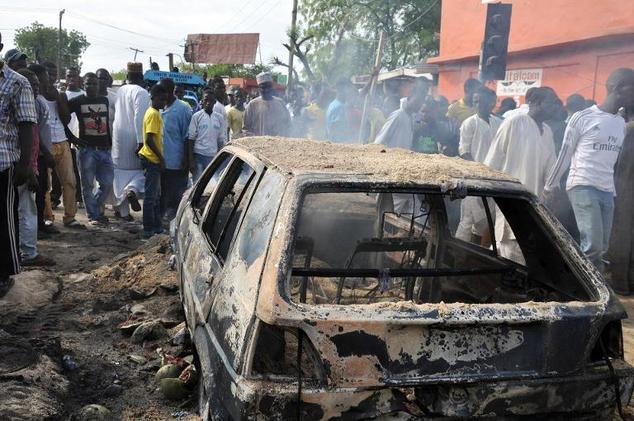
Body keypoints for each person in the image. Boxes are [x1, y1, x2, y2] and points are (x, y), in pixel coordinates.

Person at [543, 68, 634, 272]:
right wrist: (550, 186)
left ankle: (588, 287)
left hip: (607, 191)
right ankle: (591, 294)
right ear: (618, 88)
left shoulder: (620, 124)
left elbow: (612, 162)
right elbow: (564, 154)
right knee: (592, 246)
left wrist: (614, 192)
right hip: (583, 185)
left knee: (602, 247)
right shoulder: (582, 117)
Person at [484, 87, 559, 263]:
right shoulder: (515, 122)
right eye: (552, 102)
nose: (555, 107)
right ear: (537, 103)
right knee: (510, 249)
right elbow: (493, 160)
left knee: (527, 251)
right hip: (512, 197)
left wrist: (552, 188)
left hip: (535, 202)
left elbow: (551, 166)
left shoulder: (547, 131)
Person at [0, 32, 36, 296]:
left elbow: (26, 124)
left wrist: (26, 163)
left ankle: (4, 273)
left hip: (4, 162)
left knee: (4, 219)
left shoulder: (16, 82)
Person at [15, 68, 56, 266]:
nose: (35, 87)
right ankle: (28, 254)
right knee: (26, 211)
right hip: (22, 167)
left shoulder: (32, 104)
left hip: (26, 164)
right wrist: (29, 169)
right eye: (31, 84)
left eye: (37, 84)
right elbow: (27, 142)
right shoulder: (23, 106)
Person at [64, 72, 114, 225]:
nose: (91, 86)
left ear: (98, 85)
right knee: (87, 184)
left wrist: (110, 142)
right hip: (87, 150)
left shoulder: (104, 100)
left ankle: (95, 209)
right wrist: (72, 137)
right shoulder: (77, 101)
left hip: (104, 149)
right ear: (83, 85)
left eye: (94, 84)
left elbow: (106, 125)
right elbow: (61, 117)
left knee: (107, 183)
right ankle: (93, 215)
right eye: (88, 84)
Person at [455, 86, 502, 242]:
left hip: (493, 180)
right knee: (467, 220)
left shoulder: (499, 123)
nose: (477, 105)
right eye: (475, 102)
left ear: (491, 102)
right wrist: (477, 170)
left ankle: (479, 255)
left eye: (481, 101)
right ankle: (459, 258)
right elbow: (464, 151)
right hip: (473, 179)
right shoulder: (469, 123)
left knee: (489, 220)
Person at [41, 61, 83, 228]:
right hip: (45, 144)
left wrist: (59, 98)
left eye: (53, 74)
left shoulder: (60, 94)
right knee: (46, 184)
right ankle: (47, 217)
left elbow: (66, 120)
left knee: (70, 181)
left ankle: (70, 217)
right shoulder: (36, 94)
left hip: (62, 141)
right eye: (48, 74)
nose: (51, 78)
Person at [111, 63, 150, 221]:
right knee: (141, 172)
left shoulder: (120, 90)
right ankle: (132, 190)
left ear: (127, 77)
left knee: (120, 172)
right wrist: (141, 142)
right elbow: (139, 117)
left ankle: (124, 213)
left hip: (119, 137)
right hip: (134, 137)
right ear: (141, 78)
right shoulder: (141, 92)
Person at [27, 64, 56, 238]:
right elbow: (34, 132)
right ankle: (36, 229)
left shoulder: (39, 100)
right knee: (36, 192)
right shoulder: (32, 103)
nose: (46, 80)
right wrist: (47, 152)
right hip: (38, 155)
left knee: (43, 190)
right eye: (44, 76)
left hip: (43, 154)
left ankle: (40, 224)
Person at [156, 78, 192, 221]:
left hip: (176, 162)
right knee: (161, 195)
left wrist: (186, 160)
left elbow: (187, 137)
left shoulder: (183, 109)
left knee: (176, 196)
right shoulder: (157, 107)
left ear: (169, 92)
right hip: (160, 161)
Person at [138, 83, 168, 238]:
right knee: (151, 198)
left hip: (151, 159)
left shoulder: (153, 112)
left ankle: (157, 227)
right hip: (152, 160)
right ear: (154, 97)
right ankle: (148, 230)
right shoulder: (153, 114)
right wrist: (161, 159)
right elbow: (149, 139)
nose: (164, 102)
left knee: (156, 196)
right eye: (161, 99)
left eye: (165, 100)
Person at [608, 120, 634, 293]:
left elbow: (622, 164)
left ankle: (620, 282)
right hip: (625, 186)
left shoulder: (629, 128)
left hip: (626, 189)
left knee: (622, 232)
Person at [187, 90, 227, 182]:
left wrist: (220, 159)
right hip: (199, 156)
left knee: (211, 185)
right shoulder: (196, 117)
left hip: (213, 157)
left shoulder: (219, 118)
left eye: (211, 101)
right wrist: (191, 161)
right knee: (197, 184)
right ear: (202, 101)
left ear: (214, 102)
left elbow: (221, 140)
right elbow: (190, 139)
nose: (208, 103)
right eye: (206, 100)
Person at [243, 72, 291, 136]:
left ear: (272, 87)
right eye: (263, 87)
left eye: (268, 87)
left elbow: (288, 124)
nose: (266, 90)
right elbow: (246, 129)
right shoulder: (252, 105)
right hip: (258, 144)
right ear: (259, 88)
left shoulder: (280, 103)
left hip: (278, 143)